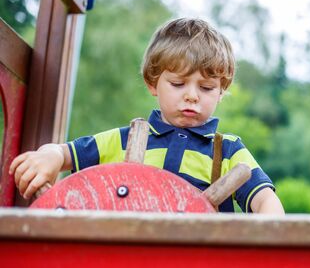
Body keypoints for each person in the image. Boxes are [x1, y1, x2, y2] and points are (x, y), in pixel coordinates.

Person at [9, 18, 285, 214]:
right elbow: (66, 153)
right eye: (178, 84)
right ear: (153, 83)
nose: (192, 96)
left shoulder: (227, 151)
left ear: (222, 91)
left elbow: (264, 201)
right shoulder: (126, 140)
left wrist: (272, 230)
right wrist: (50, 156)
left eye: (206, 87)